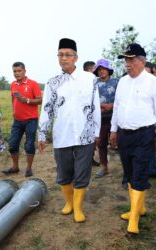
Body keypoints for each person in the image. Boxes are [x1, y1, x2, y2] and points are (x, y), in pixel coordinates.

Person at [38, 38, 101, 223]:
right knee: (64, 173)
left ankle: (79, 207)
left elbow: (95, 106)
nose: (64, 58)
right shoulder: (52, 83)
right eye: (60, 55)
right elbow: (47, 110)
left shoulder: (90, 79)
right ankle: (69, 202)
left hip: (86, 134)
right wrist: (42, 134)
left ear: (76, 57)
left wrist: (96, 133)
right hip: (62, 134)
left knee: (82, 172)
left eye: (68, 55)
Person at [110, 43, 156, 234]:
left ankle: (133, 218)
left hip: (144, 134)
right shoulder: (122, 82)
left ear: (143, 61)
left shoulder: (153, 82)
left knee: (139, 174)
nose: (128, 64)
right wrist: (113, 130)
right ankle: (138, 208)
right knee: (129, 172)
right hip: (125, 135)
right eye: (126, 60)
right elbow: (117, 108)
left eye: (132, 59)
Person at [2, 62, 42, 177]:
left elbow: (40, 100)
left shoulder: (33, 84)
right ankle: (15, 167)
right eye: (15, 71)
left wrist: (27, 100)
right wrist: (14, 112)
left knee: (29, 144)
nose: (17, 73)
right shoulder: (13, 84)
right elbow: (13, 100)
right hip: (17, 120)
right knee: (12, 144)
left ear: (24, 71)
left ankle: (29, 168)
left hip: (31, 120)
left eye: (19, 71)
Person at [93, 59, 118, 178]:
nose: (101, 71)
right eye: (99, 70)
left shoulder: (116, 82)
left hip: (115, 118)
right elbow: (90, 101)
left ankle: (126, 171)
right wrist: (103, 106)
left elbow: (122, 99)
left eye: (103, 69)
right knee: (101, 143)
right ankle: (104, 167)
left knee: (119, 143)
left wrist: (112, 106)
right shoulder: (94, 84)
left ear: (108, 70)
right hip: (100, 119)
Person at [84, 60, 101, 167]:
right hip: (86, 116)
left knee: (93, 139)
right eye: (94, 69)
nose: (96, 71)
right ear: (89, 70)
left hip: (95, 114)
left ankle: (90, 158)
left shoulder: (95, 81)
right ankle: (86, 160)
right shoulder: (85, 82)